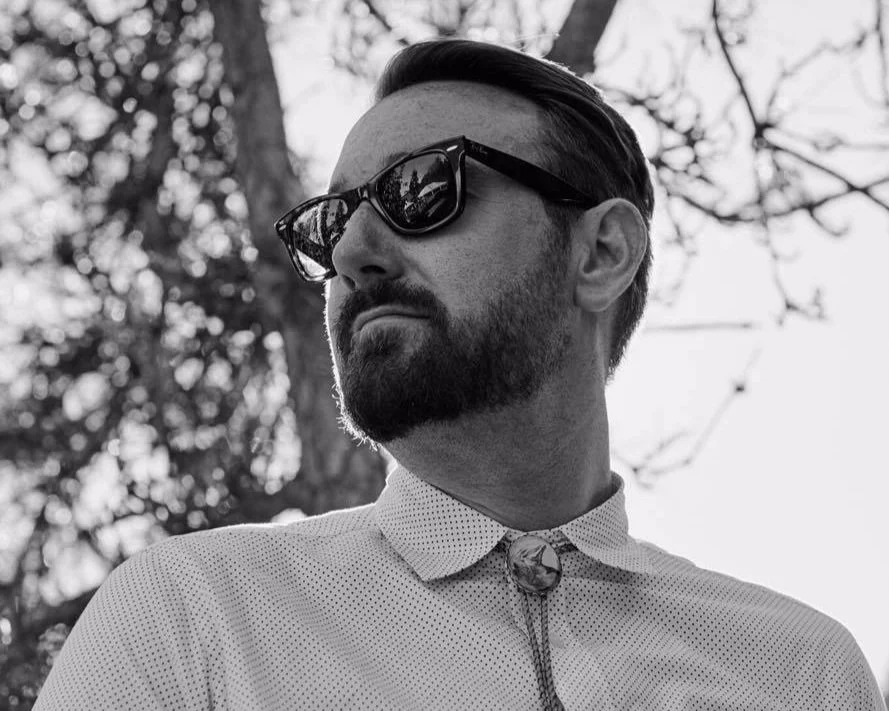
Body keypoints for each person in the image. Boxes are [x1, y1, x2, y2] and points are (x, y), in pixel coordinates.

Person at [35, 39, 885, 711]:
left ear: (601, 252)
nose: (353, 252)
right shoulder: (196, 618)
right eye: (329, 223)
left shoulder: (798, 672)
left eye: (420, 189)